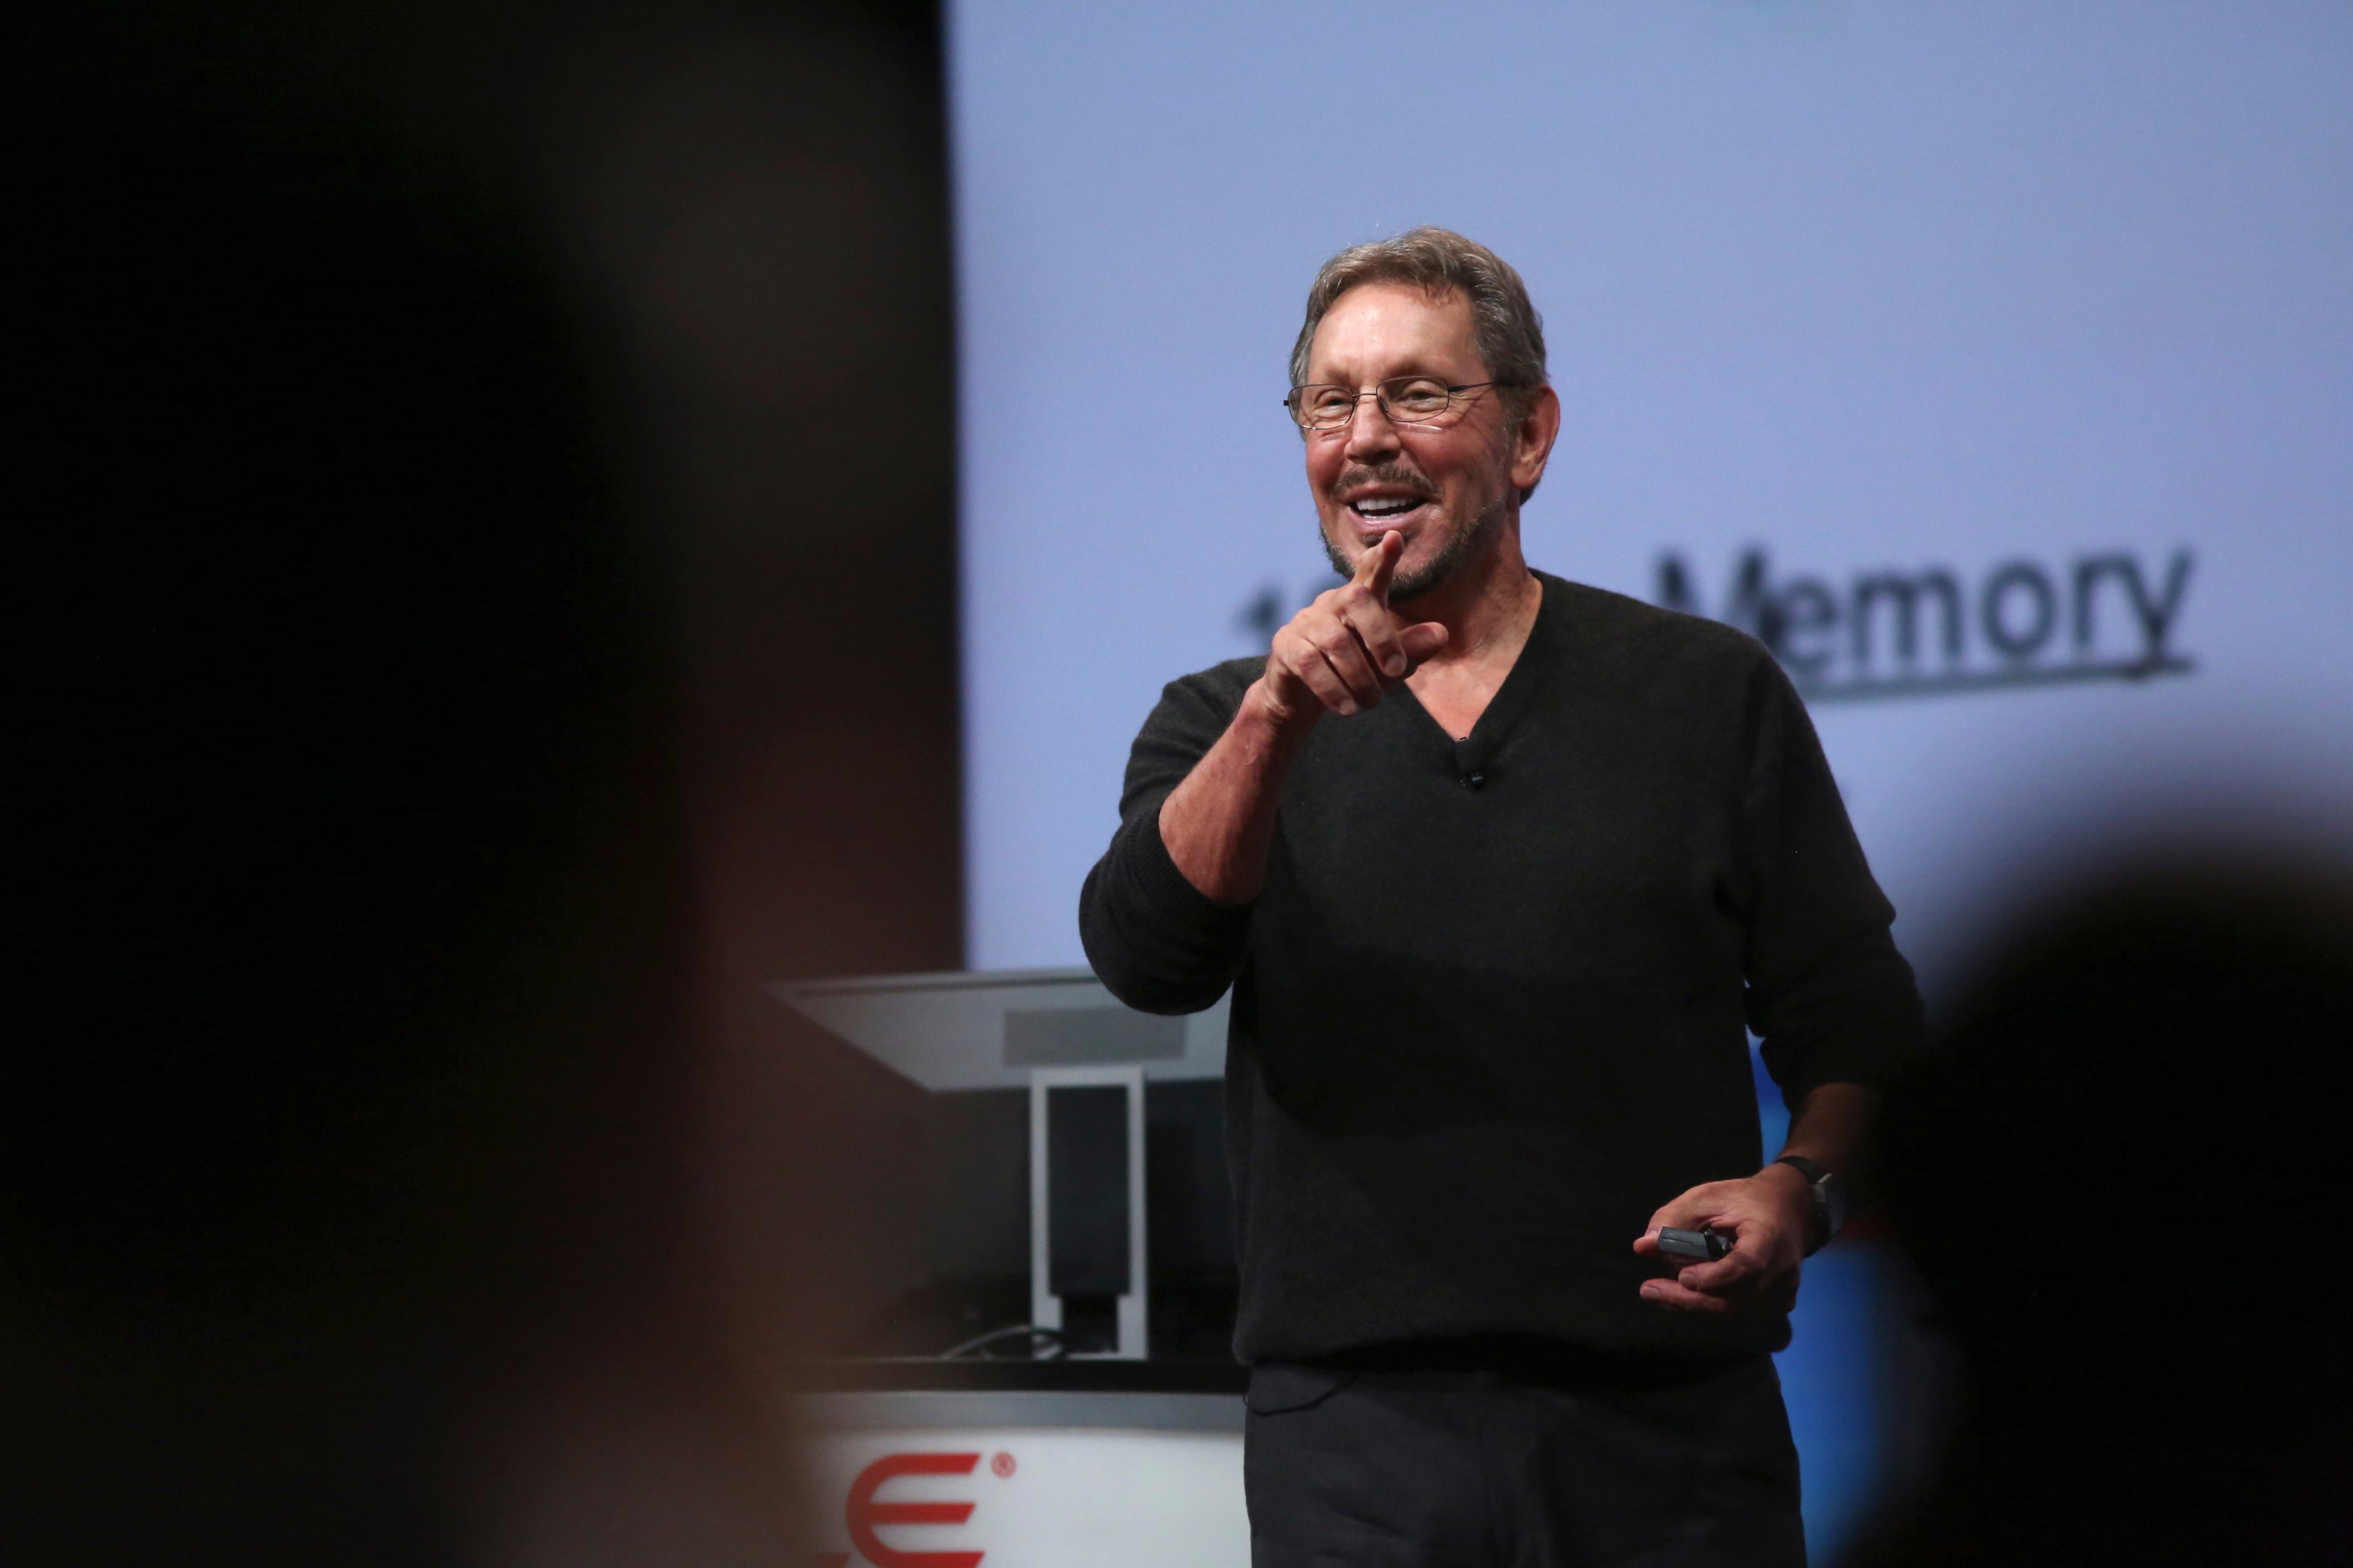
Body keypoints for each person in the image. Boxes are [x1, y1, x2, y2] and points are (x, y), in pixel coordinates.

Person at [1080, 228, 1924, 1567]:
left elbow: (1860, 1019)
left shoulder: (1704, 695)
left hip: (1670, 1440)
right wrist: (1278, 716)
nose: (1364, 437)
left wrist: (1801, 1189)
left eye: (1418, 394)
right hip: (1355, 1447)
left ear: (1528, 436)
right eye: (1329, 402)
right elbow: (1147, 957)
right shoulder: (1219, 722)